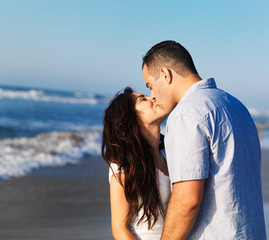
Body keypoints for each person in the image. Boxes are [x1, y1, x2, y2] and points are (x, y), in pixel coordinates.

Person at [142, 40, 266, 239]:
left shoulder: (186, 114)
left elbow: (186, 200)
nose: (152, 96)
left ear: (165, 74)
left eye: (150, 86)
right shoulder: (237, 106)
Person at [102, 87, 171, 239]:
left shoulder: (169, 153)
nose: (153, 98)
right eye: (143, 99)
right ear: (130, 118)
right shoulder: (125, 165)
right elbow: (120, 229)